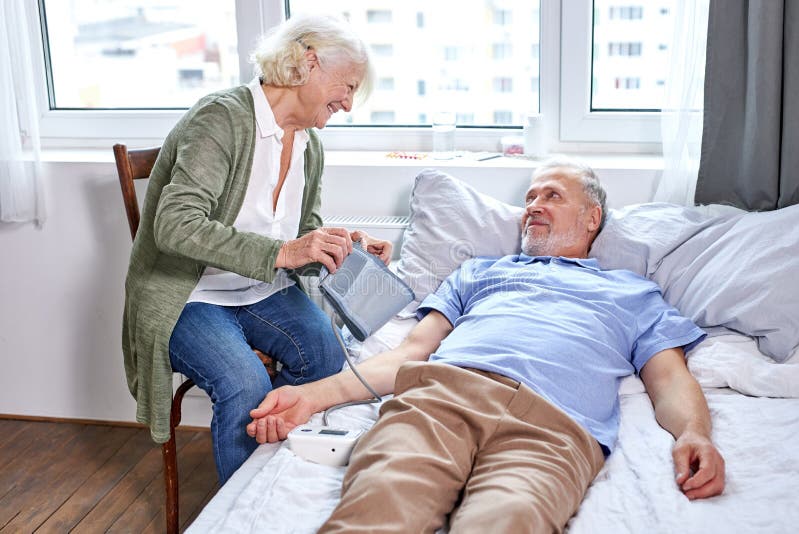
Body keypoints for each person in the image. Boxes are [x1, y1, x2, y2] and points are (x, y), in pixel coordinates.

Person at [247, 158, 726, 532]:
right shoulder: (478, 272)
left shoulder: (633, 292)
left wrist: (695, 434)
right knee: (380, 504)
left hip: (553, 427)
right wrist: (311, 396)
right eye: (530, 196)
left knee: (511, 519)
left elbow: (669, 379)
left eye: (552, 196)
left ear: (591, 218)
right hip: (440, 400)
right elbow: (410, 354)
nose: (533, 205)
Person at [122, 14, 391, 484]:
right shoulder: (221, 118)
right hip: (190, 294)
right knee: (243, 382)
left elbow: (302, 232)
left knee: (326, 360)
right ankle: (242, 508)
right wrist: (285, 252)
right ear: (308, 63)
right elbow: (173, 225)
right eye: (346, 87)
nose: (348, 104)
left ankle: (269, 474)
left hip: (261, 291)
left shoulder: (310, 144)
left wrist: (340, 246)